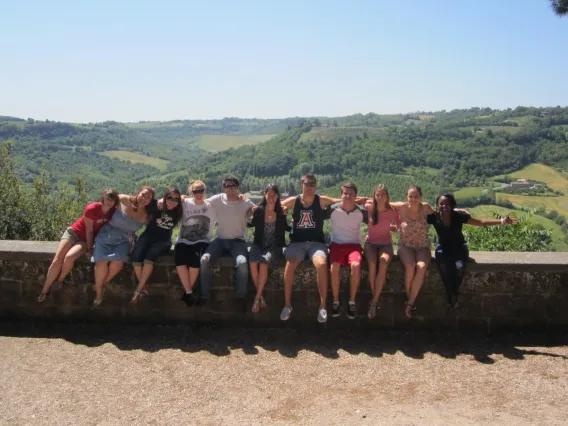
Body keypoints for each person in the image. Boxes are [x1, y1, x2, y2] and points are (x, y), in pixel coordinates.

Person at [427, 193, 518, 307]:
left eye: (447, 204)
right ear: (437, 205)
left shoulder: (459, 216)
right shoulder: (434, 217)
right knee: (444, 267)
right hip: (443, 248)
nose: (444, 206)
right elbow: (416, 214)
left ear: (452, 205)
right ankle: (451, 292)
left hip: (459, 247)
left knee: (459, 267)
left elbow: (480, 222)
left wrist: (501, 221)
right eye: (441, 204)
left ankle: (453, 292)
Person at [279, 173, 344, 323]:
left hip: (316, 242)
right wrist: (283, 210)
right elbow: (276, 204)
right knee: (290, 264)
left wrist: (366, 200)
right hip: (297, 243)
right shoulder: (294, 201)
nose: (310, 187)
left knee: (321, 264)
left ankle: (322, 307)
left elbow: (343, 200)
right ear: (301, 185)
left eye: (312, 184)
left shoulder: (320, 200)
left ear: (316, 186)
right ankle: (287, 305)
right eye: (307, 184)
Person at [38, 189, 119, 303]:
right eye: (108, 199)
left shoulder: (113, 212)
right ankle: (44, 290)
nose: (110, 202)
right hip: (74, 232)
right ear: (103, 198)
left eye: (113, 200)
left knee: (69, 257)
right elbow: (89, 230)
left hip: (84, 240)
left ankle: (60, 281)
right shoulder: (92, 208)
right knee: (57, 259)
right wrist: (90, 249)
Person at [92, 186, 155, 306]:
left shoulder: (147, 215)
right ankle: (99, 292)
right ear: (138, 193)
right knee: (101, 262)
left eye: (148, 197)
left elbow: (154, 229)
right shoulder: (122, 199)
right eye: (143, 194)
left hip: (125, 240)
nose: (144, 198)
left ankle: (102, 284)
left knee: (118, 262)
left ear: (151, 200)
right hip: (107, 234)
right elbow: (104, 206)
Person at [200, 176, 255, 308]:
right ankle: (205, 296)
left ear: (238, 188)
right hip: (219, 240)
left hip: (238, 241)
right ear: (223, 187)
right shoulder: (217, 199)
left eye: (233, 186)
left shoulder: (245, 202)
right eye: (227, 186)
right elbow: (200, 201)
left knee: (242, 263)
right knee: (204, 261)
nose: (230, 188)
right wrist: (184, 198)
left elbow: (257, 210)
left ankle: (240, 297)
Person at [130, 186, 183, 304]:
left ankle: (138, 290)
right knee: (136, 257)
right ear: (164, 197)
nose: (172, 202)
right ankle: (143, 286)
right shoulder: (154, 204)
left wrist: (178, 198)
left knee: (149, 258)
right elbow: (136, 200)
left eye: (176, 200)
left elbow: (188, 197)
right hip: (148, 235)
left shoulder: (180, 209)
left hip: (163, 240)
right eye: (169, 198)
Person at [390, 185, 436, 319]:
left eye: (416, 196)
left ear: (420, 197)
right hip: (406, 246)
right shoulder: (401, 207)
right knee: (410, 266)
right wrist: (362, 200)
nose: (413, 199)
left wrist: (458, 211)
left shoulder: (425, 208)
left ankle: (409, 303)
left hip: (423, 246)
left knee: (421, 266)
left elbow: (440, 214)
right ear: (406, 197)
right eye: (410, 196)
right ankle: (410, 298)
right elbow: (381, 202)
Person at [326, 182, 368, 319]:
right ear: (341, 195)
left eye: (351, 194)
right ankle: (336, 301)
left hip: (354, 246)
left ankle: (352, 301)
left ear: (356, 196)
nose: (348, 196)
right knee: (334, 267)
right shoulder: (332, 209)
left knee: (356, 265)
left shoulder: (362, 212)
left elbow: (376, 220)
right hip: (336, 245)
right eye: (345, 193)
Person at [248, 183, 289, 313]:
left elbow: (287, 227)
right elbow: (250, 224)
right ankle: (260, 297)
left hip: (274, 246)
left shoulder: (281, 212)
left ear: (277, 197)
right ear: (265, 195)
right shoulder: (259, 211)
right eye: (269, 194)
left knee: (264, 262)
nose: (271, 197)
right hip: (259, 244)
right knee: (253, 261)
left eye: (274, 195)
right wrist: (248, 212)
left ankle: (257, 298)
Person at [174, 180, 216, 307]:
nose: (198, 193)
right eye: (195, 191)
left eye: (201, 190)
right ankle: (189, 292)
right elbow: (165, 202)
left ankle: (188, 292)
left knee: (195, 261)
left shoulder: (212, 206)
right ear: (190, 192)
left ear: (205, 191)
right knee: (179, 259)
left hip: (202, 240)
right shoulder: (184, 203)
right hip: (183, 239)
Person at [364, 184, 400, 319]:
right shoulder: (369, 207)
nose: (380, 197)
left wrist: (392, 227)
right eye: (377, 195)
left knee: (383, 263)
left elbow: (397, 225)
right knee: (372, 264)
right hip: (370, 243)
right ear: (374, 196)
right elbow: (359, 200)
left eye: (382, 195)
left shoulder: (392, 211)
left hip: (386, 244)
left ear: (387, 197)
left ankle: (374, 302)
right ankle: (375, 298)